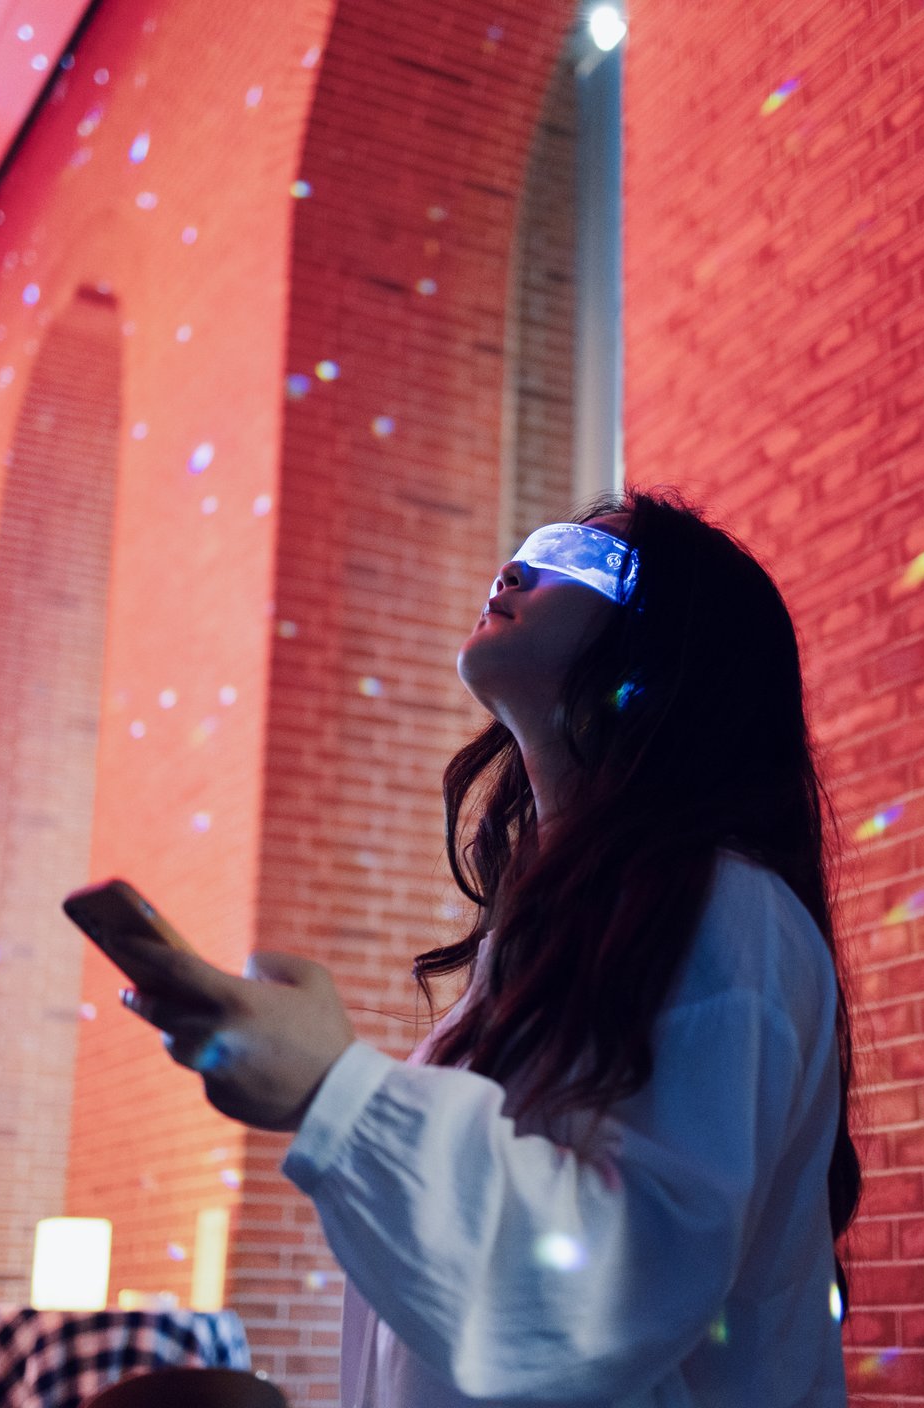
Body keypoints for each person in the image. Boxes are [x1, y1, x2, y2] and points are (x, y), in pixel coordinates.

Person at [111, 488, 862, 1407]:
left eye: (577, 557)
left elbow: (609, 1297)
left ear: (673, 653)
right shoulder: (539, 941)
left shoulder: (728, 911)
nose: (516, 568)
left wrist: (335, 1090)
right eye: (532, 545)